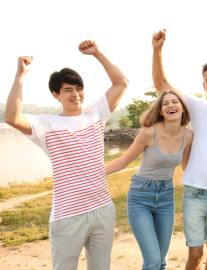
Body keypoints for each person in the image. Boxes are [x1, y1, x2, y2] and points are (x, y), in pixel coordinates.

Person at [4, 40, 129, 269]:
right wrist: (20, 74)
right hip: (69, 215)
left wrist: (97, 53)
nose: (76, 94)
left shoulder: (96, 114)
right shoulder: (46, 124)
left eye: (78, 88)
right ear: (56, 95)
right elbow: (12, 117)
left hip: (103, 209)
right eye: (68, 90)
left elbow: (121, 83)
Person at [152, 29, 207, 270]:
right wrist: (157, 50)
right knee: (195, 254)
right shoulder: (196, 106)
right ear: (204, 85)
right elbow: (161, 84)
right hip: (196, 193)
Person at [105, 89, 193, 270]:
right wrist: (89, 173)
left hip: (167, 198)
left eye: (174, 102)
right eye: (165, 103)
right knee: (152, 261)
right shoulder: (148, 133)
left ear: (182, 108)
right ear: (160, 111)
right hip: (141, 196)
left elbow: (187, 168)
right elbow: (122, 161)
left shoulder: (188, 136)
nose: (170, 105)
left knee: (161, 261)